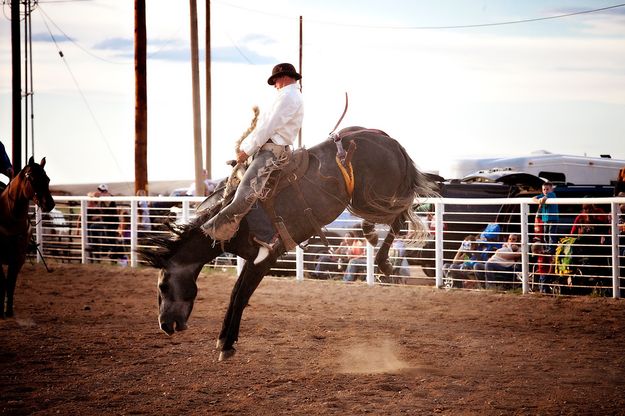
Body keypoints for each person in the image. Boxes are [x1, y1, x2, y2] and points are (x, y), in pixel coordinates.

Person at [201, 63, 304, 265]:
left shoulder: (287, 97)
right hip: (269, 148)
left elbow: (267, 126)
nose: (274, 85)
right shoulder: (290, 96)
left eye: (275, 81)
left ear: (282, 78)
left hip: (271, 151)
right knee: (241, 188)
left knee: (245, 193)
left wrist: (246, 150)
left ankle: (215, 230)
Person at [532, 182, 559, 253]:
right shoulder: (543, 195)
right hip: (546, 219)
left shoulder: (552, 194)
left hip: (553, 219)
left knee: (551, 234)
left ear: (551, 189)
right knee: (546, 235)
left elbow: (544, 199)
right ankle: (547, 248)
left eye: (547, 189)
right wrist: (539, 201)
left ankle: (552, 250)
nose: (545, 191)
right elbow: (533, 198)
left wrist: (541, 200)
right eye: (544, 189)